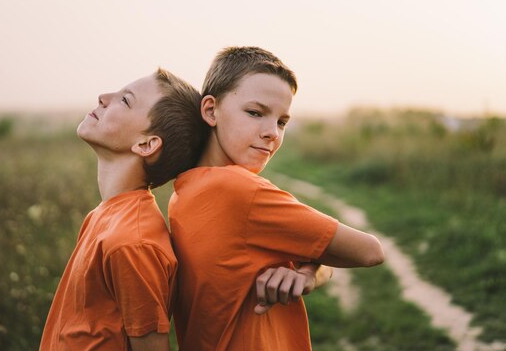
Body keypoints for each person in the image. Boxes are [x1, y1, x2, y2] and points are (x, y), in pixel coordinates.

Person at [168, 47, 386, 351]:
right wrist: (309, 271)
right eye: (255, 113)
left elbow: (316, 257)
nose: (272, 132)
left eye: (282, 121)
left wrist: (307, 272)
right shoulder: (238, 190)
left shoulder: (184, 189)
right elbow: (370, 251)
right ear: (210, 110)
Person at [39, 68, 208, 351]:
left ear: (146, 144)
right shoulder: (105, 216)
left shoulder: (133, 242)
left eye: (125, 100)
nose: (104, 97)